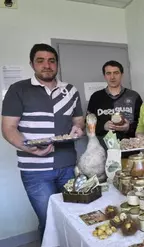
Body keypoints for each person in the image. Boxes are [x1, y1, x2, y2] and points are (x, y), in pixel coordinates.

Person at [1, 43, 84, 237]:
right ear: (32, 64)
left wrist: (78, 128)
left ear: (57, 64)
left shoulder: (70, 90)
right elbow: (8, 128)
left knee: (75, 216)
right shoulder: (18, 89)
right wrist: (29, 149)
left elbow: (78, 119)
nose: (47, 65)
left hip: (68, 166)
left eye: (51, 61)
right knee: (49, 222)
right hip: (35, 170)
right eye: (41, 61)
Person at [87, 60, 143, 158]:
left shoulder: (134, 96)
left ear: (122, 75)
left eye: (116, 73)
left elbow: (142, 123)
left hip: (130, 151)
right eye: (108, 73)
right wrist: (103, 126)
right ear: (104, 76)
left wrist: (128, 127)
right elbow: (88, 123)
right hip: (103, 152)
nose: (112, 77)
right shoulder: (96, 97)